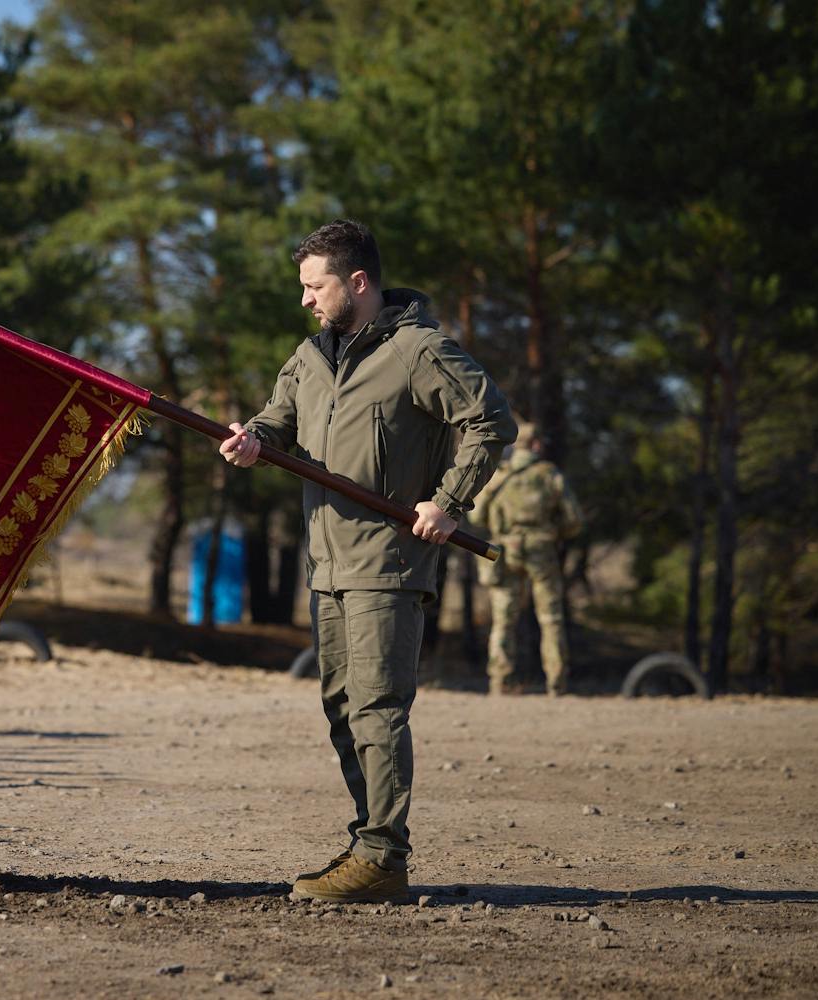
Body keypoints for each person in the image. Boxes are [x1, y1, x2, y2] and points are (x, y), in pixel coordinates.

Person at [219, 221, 515, 903]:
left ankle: (384, 856)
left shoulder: (418, 351)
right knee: (342, 709)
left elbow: (491, 419)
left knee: (378, 708)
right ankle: (368, 844)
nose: (304, 300)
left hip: (388, 564)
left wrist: (449, 501)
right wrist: (252, 439)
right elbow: (276, 418)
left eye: (313, 286)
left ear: (357, 282)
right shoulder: (309, 355)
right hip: (328, 567)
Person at [476, 418, 583, 696]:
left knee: (503, 620)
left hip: (503, 552)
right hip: (542, 552)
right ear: (536, 444)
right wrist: (552, 532)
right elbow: (574, 520)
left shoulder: (500, 475)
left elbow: (476, 516)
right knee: (551, 619)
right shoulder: (550, 475)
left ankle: (500, 683)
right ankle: (556, 684)